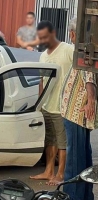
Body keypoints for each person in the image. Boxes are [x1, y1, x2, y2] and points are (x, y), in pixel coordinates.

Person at [29, 21, 74, 186]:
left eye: (45, 36)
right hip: (47, 105)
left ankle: (61, 174)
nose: (43, 40)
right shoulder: (43, 56)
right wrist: (39, 104)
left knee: (62, 143)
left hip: (62, 106)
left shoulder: (68, 50)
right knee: (50, 141)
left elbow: (81, 71)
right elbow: (41, 81)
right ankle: (49, 171)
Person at [60, 17, 96, 200]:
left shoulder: (83, 50)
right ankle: (85, 196)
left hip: (76, 113)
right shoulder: (85, 49)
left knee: (75, 159)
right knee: (83, 156)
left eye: (70, 32)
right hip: (76, 114)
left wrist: (90, 101)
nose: (70, 36)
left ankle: (73, 197)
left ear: (74, 33)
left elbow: (89, 77)